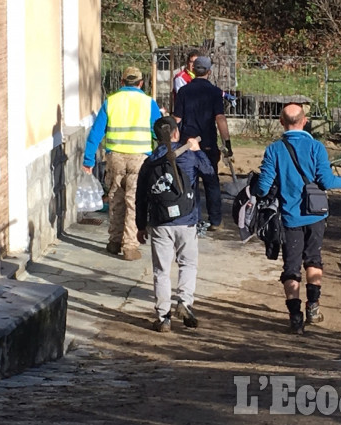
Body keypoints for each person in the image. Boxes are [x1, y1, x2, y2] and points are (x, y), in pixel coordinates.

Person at [256, 103, 341, 334]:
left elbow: (263, 188)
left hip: (289, 218)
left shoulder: (274, 150)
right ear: (305, 121)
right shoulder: (316, 147)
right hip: (316, 215)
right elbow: (326, 182)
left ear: (281, 121)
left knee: (291, 267)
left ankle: (295, 317)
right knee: (313, 259)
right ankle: (313, 308)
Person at [135, 116, 215, 332]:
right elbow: (209, 173)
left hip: (160, 223)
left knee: (161, 270)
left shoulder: (149, 162)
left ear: (156, 137)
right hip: (187, 221)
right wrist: (197, 150)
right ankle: (184, 302)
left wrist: (140, 225)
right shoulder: (189, 155)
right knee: (188, 264)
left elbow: (141, 196)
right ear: (176, 133)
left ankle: (163, 318)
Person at [83, 66, 162, 260]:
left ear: (122, 82)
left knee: (116, 199)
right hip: (140, 159)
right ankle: (130, 247)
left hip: (115, 158)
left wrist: (88, 159)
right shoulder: (148, 103)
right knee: (134, 201)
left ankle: (114, 241)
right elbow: (157, 131)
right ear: (141, 83)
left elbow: (96, 132)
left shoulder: (111, 102)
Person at [173, 56, 232, 231]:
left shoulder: (184, 91)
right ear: (209, 71)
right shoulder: (214, 92)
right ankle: (215, 220)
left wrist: (172, 143)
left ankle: (194, 218)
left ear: (193, 70)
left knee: (189, 181)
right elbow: (220, 118)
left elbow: (177, 118)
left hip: (187, 144)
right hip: (207, 144)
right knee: (211, 181)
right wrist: (227, 143)